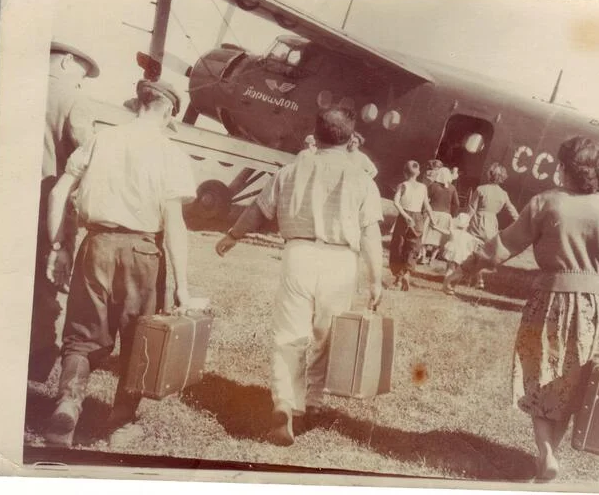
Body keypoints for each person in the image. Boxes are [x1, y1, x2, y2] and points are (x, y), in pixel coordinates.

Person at [215, 106, 384, 446]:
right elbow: (370, 233)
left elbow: (258, 211)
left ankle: (284, 402)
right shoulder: (360, 179)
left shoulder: (290, 171)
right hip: (341, 260)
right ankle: (311, 405)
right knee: (326, 336)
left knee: (288, 334)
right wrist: (376, 278)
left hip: (299, 255)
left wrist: (232, 235)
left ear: (316, 133)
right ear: (350, 139)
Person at [463, 136, 599, 481]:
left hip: (548, 300)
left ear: (564, 167)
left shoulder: (546, 203)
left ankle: (547, 453)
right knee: (571, 380)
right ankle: (549, 455)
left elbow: (505, 244)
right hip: (593, 307)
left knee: (539, 378)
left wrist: (470, 264)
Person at [43, 80, 197, 447]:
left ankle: (68, 403)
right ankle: (121, 423)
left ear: (139, 105)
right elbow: (173, 221)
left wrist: (58, 246)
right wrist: (183, 284)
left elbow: (58, 191)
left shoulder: (101, 140)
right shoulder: (169, 151)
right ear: (168, 112)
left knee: (81, 336)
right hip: (142, 253)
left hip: (95, 245)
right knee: (138, 339)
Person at [28, 41, 100, 382]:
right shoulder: (74, 99)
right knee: (47, 286)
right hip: (48, 209)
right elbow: (90, 158)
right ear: (66, 61)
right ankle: (34, 367)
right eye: (80, 76)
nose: (81, 84)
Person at [466, 162, 519, 288]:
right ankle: (479, 280)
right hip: (492, 223)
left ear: (490, 174)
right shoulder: (503, 194)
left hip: (478, 221)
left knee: (473, 251)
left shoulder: (481, 189)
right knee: (483, 253)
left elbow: (472, 209)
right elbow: (511, 209)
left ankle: (470, 278)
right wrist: (520, 220)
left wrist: (464, 221)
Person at [389, 160, 437, 291]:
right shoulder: (423, 187)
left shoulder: (403, 185)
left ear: (405, 173)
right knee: (413, 247)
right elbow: (427, 205)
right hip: (418, 218)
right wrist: (433, 218)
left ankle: (398, 280)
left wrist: (405, 216)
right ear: (419, 173)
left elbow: (396, 202)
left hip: (405, 218)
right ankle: (407, 273)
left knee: (399, 246)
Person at [419, 167, 460, 265]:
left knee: (425, 236)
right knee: (439, 239)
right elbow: (457, 204)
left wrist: (422, 211)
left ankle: (423, 256)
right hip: (445, 216)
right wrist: (452, 214)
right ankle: (432, 259)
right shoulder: (452, 188)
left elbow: (424, 199)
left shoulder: (433, 186)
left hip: (432, 213)